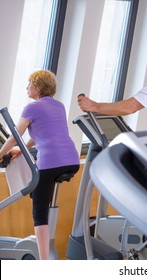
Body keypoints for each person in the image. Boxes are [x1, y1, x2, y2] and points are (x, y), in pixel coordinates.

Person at [0, 70, 80, 260]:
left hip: (51, 162)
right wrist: (23, 149)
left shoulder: (32, 107)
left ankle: (44, 263)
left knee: (39, 213)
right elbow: (44, 134)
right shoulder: (59, 106)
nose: (27, 88)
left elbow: (13, 137)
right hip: (72, 160)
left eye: (29, 84)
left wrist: (1, 153)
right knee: (37, 192)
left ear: (37, 87)